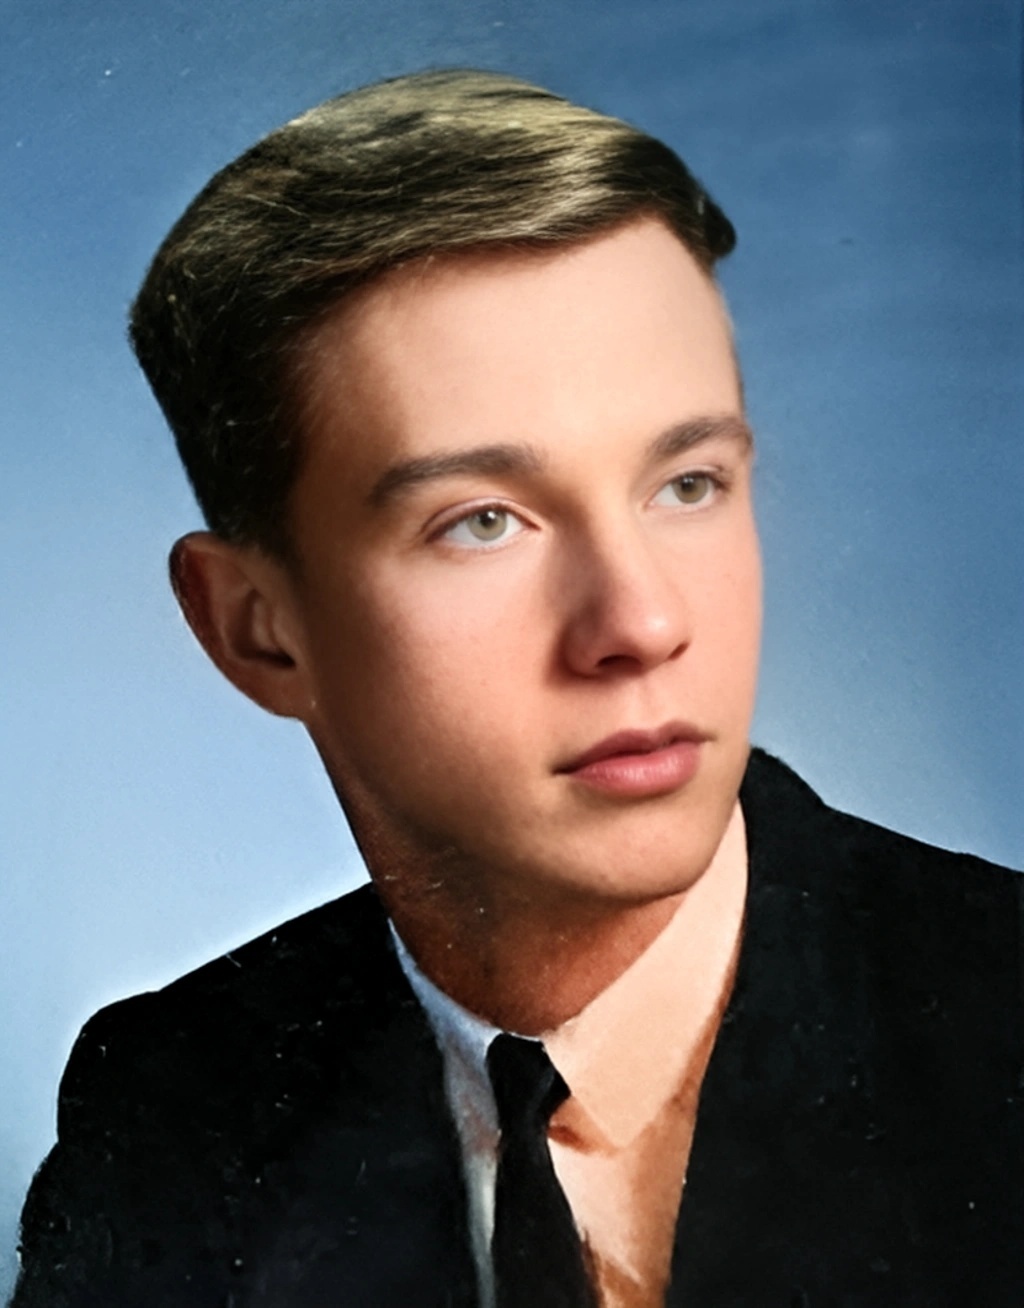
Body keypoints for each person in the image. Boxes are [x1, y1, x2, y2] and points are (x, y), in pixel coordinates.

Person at [11, 69, 1022, 1308]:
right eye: (482, 520)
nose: (641, 624)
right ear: (256, 631)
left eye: (687, 484)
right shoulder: (172, 1106)